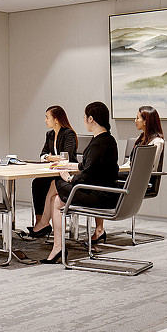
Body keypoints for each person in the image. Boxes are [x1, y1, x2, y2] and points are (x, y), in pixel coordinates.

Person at [40, 101, 119, 263]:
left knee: (56, 184)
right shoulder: (105, 140)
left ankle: (46, 229)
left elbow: (87, 174)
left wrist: (69, 178)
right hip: (101, 190)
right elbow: (87, 165)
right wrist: (69, 166)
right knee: (56, 200)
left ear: (91, 119)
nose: (83, 120)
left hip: (100, 195)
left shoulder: (100, 143)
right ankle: (57, 246)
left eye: (84, 117)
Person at [24, 105, 78, 238]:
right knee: (37, 183)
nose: (45, 120)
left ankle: (43, 223)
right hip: (54, 171)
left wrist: (51, 157)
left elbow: (66, 156)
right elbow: (42, 155)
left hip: (66, 173)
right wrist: (50, 157)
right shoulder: (50, 134)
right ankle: (40, 221)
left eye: (47, 117)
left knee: (47, 184)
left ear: (56, 119)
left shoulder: (68, 134)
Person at [122, 105, 165, 172]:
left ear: (145, 121)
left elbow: (151, 167)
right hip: (130, 173)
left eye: (137, 118)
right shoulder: (139, 139)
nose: (135, 121)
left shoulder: (157, 142)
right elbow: (129, 163)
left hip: (142, 175)